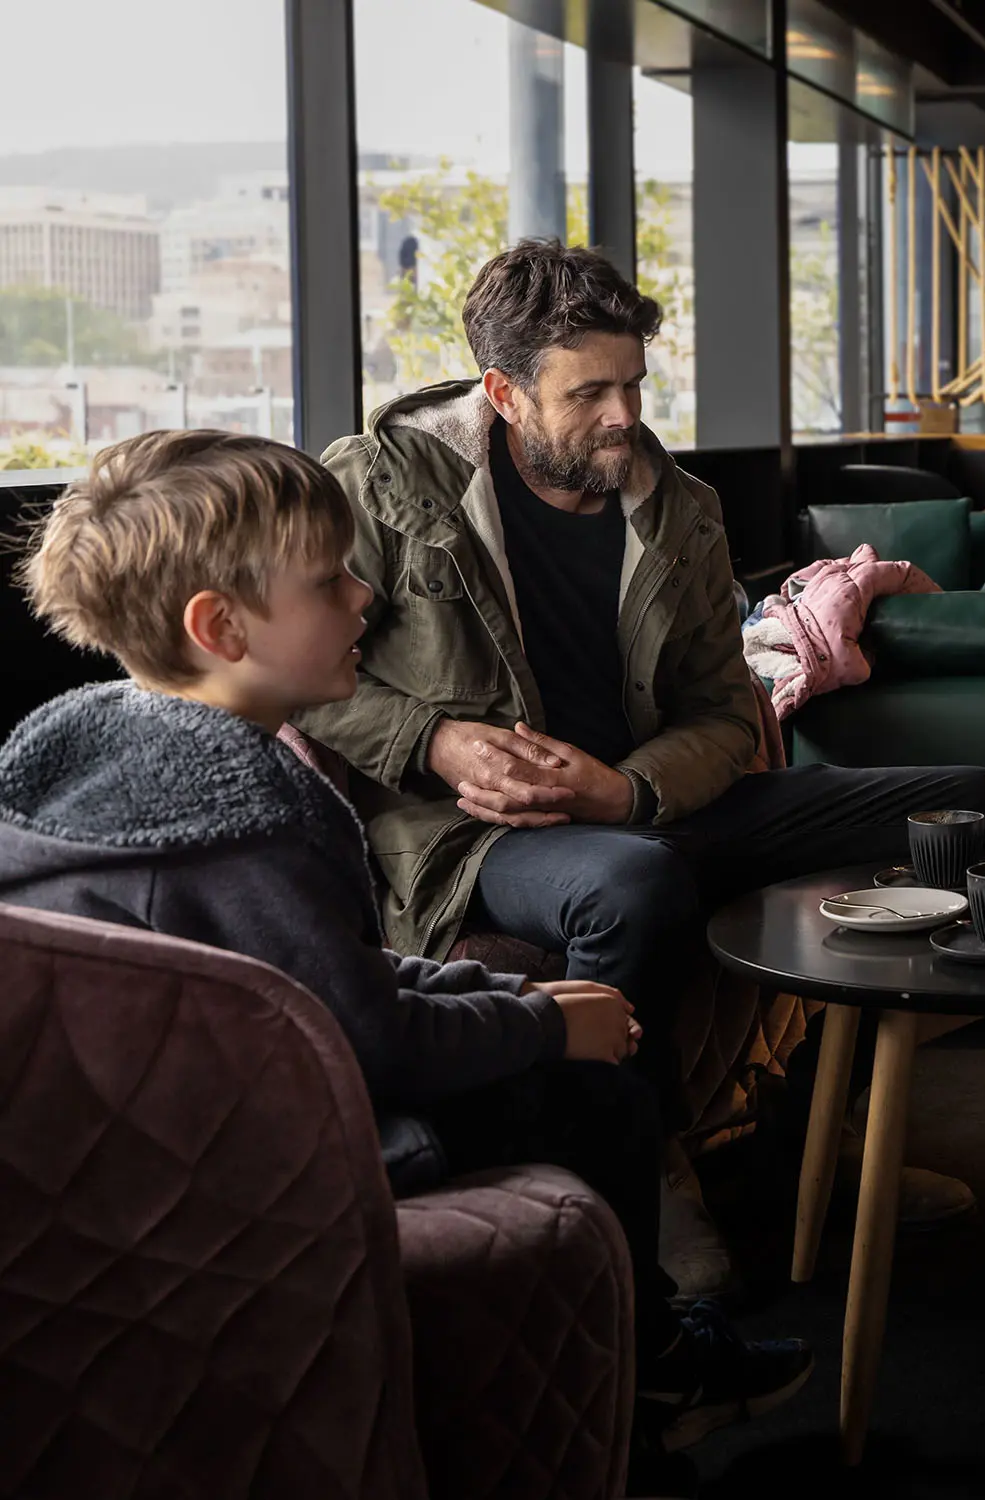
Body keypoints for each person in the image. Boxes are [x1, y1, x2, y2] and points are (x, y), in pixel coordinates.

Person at [0, 431, 811, 1488]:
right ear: (220, 625)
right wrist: (540, 1026)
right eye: (329, 581)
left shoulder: (88, 752)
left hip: (145, 1134)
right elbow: (363, 1040)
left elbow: (311, 978)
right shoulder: (245, 813)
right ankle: (651, 1372)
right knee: (598, 1103)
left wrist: (502, 991)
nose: (363, 602)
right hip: (260, 1155)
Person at [290, 241, 985, 1279]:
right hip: (478, 833)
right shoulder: (378, 485)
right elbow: (306, 669)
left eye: (633, 382)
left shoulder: (682, 508)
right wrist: (435, 742)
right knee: (634, 884)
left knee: (965, 804)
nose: (625, 414)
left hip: (645, 802)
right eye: (590, 393)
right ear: (504, 392)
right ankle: (640, 1177)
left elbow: (724, 711)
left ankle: (825, 1133)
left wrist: (629, 787)